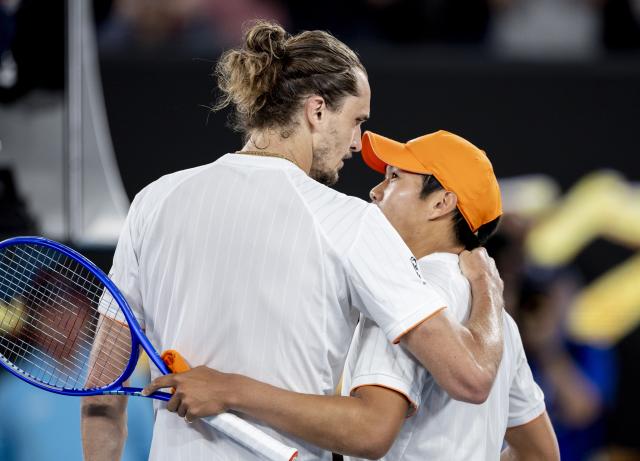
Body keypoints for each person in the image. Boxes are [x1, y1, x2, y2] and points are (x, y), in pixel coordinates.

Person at [82, 21, 504, 460]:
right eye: (356, 121)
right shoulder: (353, 222)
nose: (358, 144)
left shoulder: (154, 201)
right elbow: (470, 377)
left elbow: (100, 395)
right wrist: (487, 289)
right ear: (316, 111)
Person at [145, 130, 559, 460]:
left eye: (394, 178)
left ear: (441, 203)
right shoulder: (498, 328)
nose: (375, 192)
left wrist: (229, 389)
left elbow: (369, 432)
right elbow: (540, 453)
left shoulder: (405, 295)